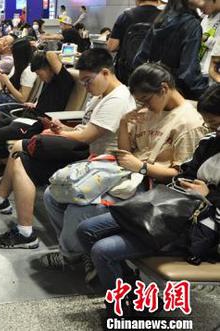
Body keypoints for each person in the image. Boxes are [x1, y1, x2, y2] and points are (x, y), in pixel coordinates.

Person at [45, 63, 207, 282]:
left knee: (80, 208)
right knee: (54, 193)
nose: (145, 106)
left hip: (152, 189)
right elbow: (125, 153)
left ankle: (72, 255)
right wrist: (124, 123)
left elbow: (182, 177)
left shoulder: (188, 122)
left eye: (147, 100)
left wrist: (141, 167)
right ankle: (82, 254)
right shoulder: (148, 111)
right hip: (126, 175)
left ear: (163, 89)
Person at [0, 49, 135, 249]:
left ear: (105, 73)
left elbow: (87, 136)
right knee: (20, 155)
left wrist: (60, 134)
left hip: (97, 163)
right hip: (84, 153)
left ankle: (15, 219)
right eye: (83, 82)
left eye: (88, 81)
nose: (85, 87)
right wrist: (63, 128)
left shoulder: (117, 100)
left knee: (21, 150)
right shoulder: (101, 96)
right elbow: (83, 129)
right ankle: (19, 224)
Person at [76, 83, 219, 302]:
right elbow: (183, 174)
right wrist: (190, 185)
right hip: (175, 208)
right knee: (86, 229)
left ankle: (126, 308)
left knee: (102, 251)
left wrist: (208, 195)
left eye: (215, 123)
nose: (211, 128)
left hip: (200, 227)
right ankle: (132, 293)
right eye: (209, 123)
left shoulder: (189, 125)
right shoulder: (210, 142)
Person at [0, 50, 76, 186]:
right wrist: (34, 105)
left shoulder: (64, 81)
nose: (40, 77)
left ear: (50, 68)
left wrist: (43, 48)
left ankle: (3, 169)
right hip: (29, 117)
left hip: (37, 123)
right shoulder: (48, 82)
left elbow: (50, 54)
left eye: (40, 73)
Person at [133, 0, 209, 100]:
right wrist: (206, 95)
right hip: (179, 95)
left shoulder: (159, 21)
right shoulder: (191, 24)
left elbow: (138, 60)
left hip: (157, 92)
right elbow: (188, 71)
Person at [108, 0, 161, 84]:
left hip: (127, 73)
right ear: (158, 1)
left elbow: (111, 46)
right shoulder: (165, 18)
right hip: (156, 74)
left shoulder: (125, 16)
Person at [199, 0, 220, 76]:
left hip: (212, 72)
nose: (200, 9)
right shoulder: (205, 16)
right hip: (199, 67)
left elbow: (217, 46)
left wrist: (200, 36)